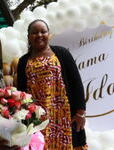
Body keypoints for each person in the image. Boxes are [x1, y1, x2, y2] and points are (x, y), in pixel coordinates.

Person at [17, 19, 87, 150]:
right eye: (34, 32)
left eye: (43, 31)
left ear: (49, 34)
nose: (39, 35)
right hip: (38, 119)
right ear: (28, 37)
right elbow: (21, 93)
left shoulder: (62, 53)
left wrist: (80, 113)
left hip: (64, 115)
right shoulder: (23, 61)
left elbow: (76, 83)